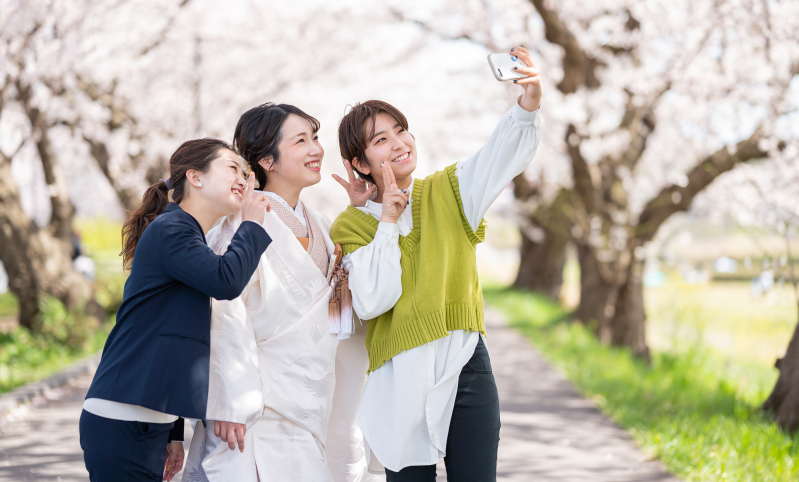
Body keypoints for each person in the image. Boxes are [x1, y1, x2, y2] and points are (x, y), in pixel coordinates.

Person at [330, 47, 544, 481]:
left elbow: (499, 156)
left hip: (464, 361)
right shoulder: (351, 226)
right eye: (381, 140)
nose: (400, 143)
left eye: (401, 130)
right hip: (397, 379)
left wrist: (528, 104)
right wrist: (387, 219)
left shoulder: (451, 190)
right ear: (358, 163)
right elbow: (372, 300)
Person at [184, 104, 378, 481]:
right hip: (258, 401)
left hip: (315, 395)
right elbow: (224, 313)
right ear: (267, 161)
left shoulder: (323, 224)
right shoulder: (240, 224)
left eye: (316, 138)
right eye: (301, 140)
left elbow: (336, 321)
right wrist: (229, 401)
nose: (317, 149)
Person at [80, 138, 273, 482]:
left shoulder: (186, 235)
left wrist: (172, 431)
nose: (244, 179)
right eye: (232, 168)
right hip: (123, 417)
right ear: (195, 178)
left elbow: (175, 337)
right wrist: (252, 226)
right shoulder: (172, 229)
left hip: (145, 420)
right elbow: (225, 280)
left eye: (245, 172)